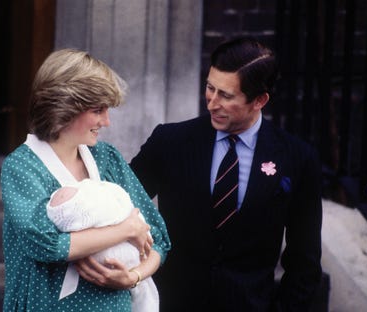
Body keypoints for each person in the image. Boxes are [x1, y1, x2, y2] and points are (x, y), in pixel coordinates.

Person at [129, 37, 323, 311]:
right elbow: (117, 205)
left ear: (260, 100)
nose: (212, 103)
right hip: (171, 302)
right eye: (210, 88)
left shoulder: (297, 158)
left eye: (227, 96)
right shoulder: (169, 141)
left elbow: (305, 260)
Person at [0, 48, 171, 312]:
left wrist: (133, 277)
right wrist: (126, 229)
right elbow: (46, 244)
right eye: (97, 110)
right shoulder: (22, 167)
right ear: (64, 107)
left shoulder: (107, 158)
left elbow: (158, 239)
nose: (106, 121)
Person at [46, 178, 159, 312]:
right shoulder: (25, 168)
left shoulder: (109, 162)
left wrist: (134, 276)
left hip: (123, 294)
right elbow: (49, 246)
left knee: (145, 297)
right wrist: (128, 229)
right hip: (67, 302)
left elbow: (158, 243)